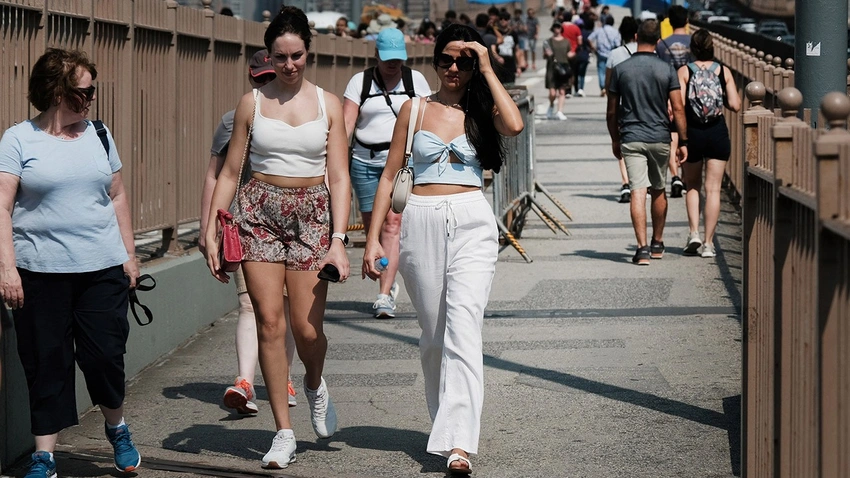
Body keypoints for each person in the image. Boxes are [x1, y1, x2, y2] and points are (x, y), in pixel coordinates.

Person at [362, 23, 523, 475]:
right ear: (433, 62)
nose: (454, 68)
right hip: (421, 222)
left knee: (464, 328)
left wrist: (489, 70)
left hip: (472, 219)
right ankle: (446, 425)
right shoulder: (414, 110)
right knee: (434, 337)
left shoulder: (482, 108)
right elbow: (389, 176)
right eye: (446, 60)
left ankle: (459, 445)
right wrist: (373, 238)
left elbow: (514, 124)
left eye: (464, 61)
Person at [202, 6, 351, 468]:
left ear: (309, 52)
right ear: (269, 56)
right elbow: (230, 172)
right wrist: (211, 227)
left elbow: (340, 177)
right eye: (281, 57)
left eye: (297, 56)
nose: (289, 65)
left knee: (307, 331)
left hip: (311, 216)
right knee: (269, 321)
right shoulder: (252, 102)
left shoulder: (329, 105)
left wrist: (339, 238)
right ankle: (283, 431)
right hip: (259, 212)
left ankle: (314, 383)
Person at [0, 48, 141, 477]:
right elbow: (2, 208)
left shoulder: (100, 134)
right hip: (39, 271)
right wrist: (7, 269)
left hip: (101, 268)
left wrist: (130, 255)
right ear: (57, 91)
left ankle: (116, 427)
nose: (92, 98)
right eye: (85, 90)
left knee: (104, 356)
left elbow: (117, 195)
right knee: (47, 362)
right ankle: (45, 454)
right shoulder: (18, 139)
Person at [200, 50, 298, 414]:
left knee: (284, 306)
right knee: (249, 303)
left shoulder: (302, 112)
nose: (266, 84)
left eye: (270, 77)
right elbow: (217, 174)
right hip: (244, 222)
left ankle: (283, 376)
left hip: (295, 224)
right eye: (260, 79)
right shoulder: (234, 119)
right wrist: (207, 226)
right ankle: (244, 380)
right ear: (251, 77)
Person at [342, 28, 431, 318]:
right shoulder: (361, 82)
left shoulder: (414, 80)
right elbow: (346, 125)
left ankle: (384, 294)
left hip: (401, 165)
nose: (394, 64)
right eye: (388, 58)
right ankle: (387, 277)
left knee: (392, 225)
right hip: (365, 162)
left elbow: (429, 119)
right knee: (374, 229)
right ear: (376, 55)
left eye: (399, 59)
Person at [606, 19, 687, 265]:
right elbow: (678, 107)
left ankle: (641, 249)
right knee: (659, 188)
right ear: (658, 41)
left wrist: (615, 139)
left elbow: (611, 111)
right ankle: (658, 243)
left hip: (631, 137)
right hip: (660, 137)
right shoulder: (666, 69)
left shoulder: (621, 68)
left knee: (637, 192)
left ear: (636, 37)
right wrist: (683, 140)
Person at [677, 29, 741, 258]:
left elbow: (678, 107)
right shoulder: (723, 71)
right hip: (717, 133)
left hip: (693, 134)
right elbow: (735, 104)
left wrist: (680, 138)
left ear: (692, 49)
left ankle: (693, 232)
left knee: (692, 185)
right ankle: (708, 244)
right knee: (713, 189)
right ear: (712, 47)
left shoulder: (684, 71)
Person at [656, 5, 692, 199]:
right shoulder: (694, 42)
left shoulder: (662, 44)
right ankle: (687, 178)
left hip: (668, 95)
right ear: (686, 21)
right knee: (687, 136)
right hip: (690, 94)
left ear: (669, 22)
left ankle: (674, 176)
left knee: (672, 136)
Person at [604, 16, 638, 203]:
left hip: (621, 105)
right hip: (643, 104)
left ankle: (626, 183)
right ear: (636, 33)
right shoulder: (648, 52)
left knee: (622, 146)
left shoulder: (615, 54)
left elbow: (608, 84)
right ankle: (641, 184)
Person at [543, 23, 573, 120]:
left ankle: (560, 111)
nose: (557, 29)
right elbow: (544, 56)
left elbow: (569, 53)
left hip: (563, 68)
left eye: (559, 27)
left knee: (562, 91)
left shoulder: (566, 41)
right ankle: (551, 105)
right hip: (552, 68)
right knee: (552, 93)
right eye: (555, 27)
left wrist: (571, 55)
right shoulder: (548, 42)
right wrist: (547, 54)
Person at [587, 14, 619, 96]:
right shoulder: (615, 32)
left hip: (600, 53)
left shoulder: (599, 30)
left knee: (601, 71)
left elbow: (589, 38)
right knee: (610, 72)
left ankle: (603, 88)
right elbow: (618, 44)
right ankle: (608, 87)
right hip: (611, 54)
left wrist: (593, 48)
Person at [560, 16, 582, 98]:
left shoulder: (561, 27)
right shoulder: (576, 27)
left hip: (563, 53)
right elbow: (580, 41)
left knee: (565, 72)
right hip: (574, 53)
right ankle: (576, 89)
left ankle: (567, 90)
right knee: (575, 72)